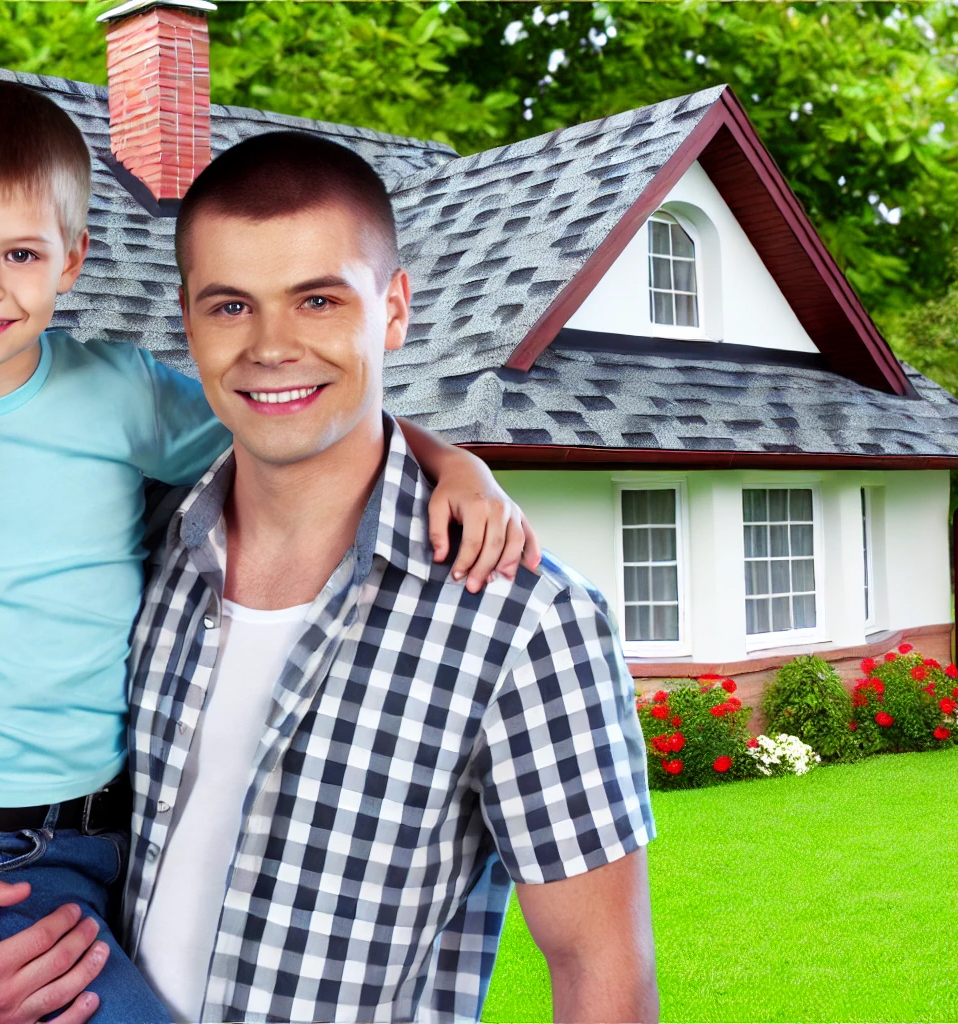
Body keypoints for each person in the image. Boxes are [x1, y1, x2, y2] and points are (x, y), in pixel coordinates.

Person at [0, 81, 545, 1024]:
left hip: (121, 816)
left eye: (21, 253)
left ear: (72, 261)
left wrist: (453, 459)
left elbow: (291, 424)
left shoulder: (119, 395)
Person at [115, 133, 661, 1022]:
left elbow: (603, 973)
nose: (271, 346)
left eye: (318, 300)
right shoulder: (135, 547)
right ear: (188, 319)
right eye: (230, 307)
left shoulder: (526, 621)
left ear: (394, 310)